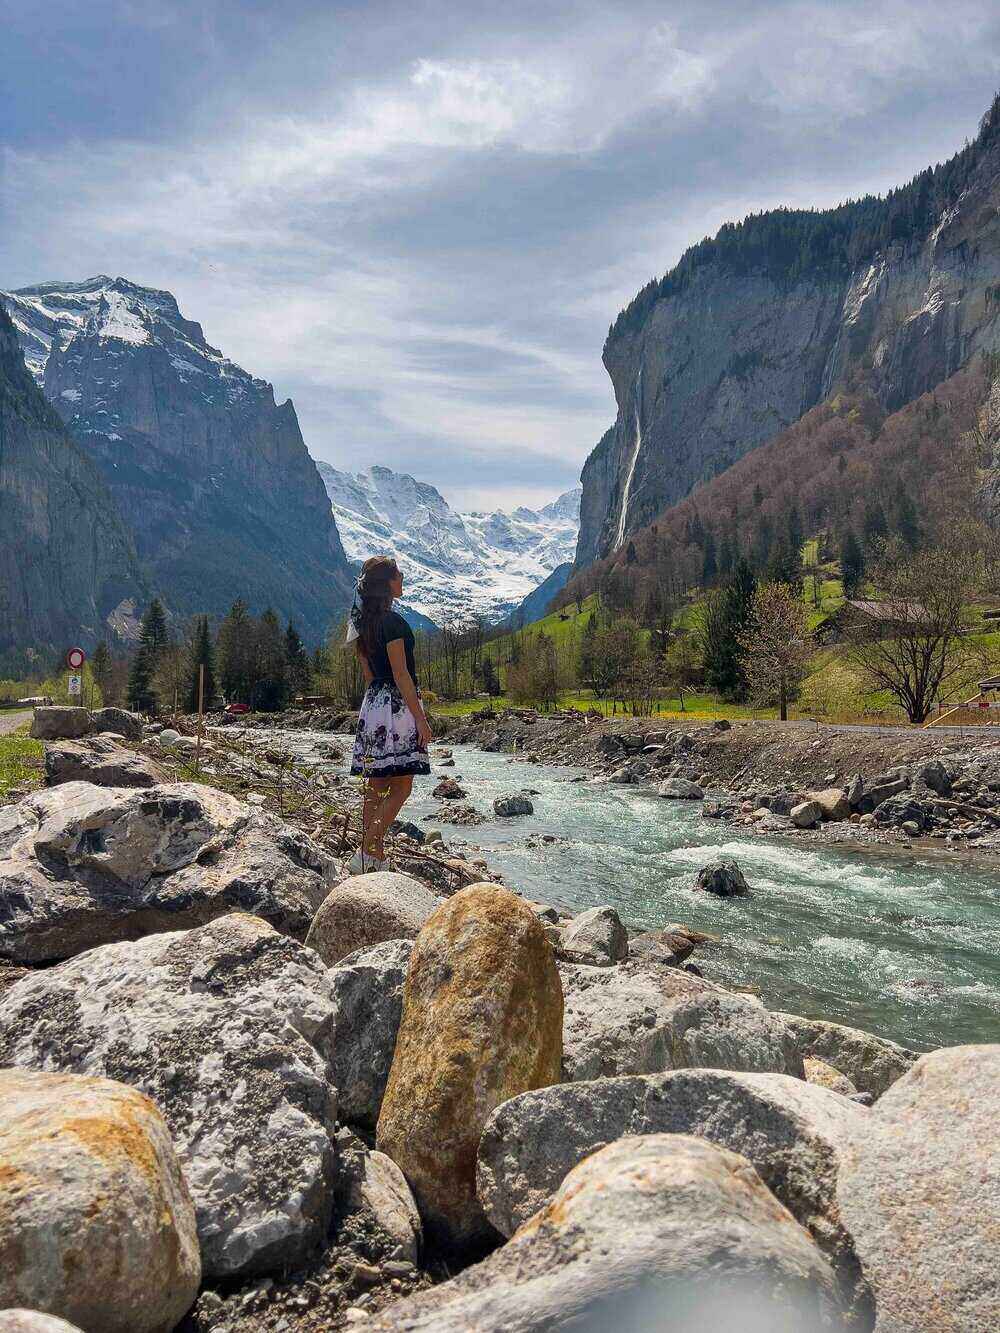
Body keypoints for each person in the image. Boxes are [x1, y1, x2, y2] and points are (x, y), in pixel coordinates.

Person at [347, 556, 431, 871]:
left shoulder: (362, 627)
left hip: (373, 706)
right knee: (403, 784)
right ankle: (368, 848)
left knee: (376, 783)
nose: (403, 577)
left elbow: (369, 676)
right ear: (388, 584)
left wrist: (375, 710)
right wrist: (420, 719)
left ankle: (372, 856)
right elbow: (401, 674)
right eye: (398, 574)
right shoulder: (393, 623)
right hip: (397, 706)